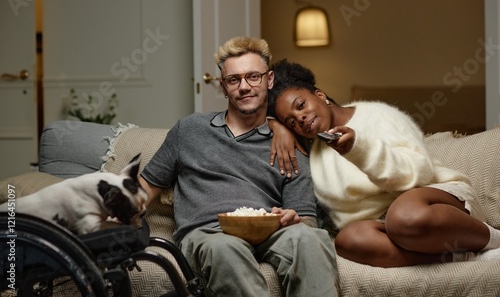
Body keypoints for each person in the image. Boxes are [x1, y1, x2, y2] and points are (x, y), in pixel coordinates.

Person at [138, 37, 339, 296]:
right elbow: (146, 186)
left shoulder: (289, 144)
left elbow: (307, 219)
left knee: (310, 240)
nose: (244, 87)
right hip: (209, 233)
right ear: (223, 87)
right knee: (225, 249)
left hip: (270, 230)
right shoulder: (189, 130)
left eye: (253, 77)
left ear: (269, 80)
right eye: (234, 80)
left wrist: (294, 219)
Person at [267, 59, 500, 268]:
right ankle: (463, 258)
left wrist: (358, 148)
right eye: (292, 122)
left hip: (435, 201)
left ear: (319, 95)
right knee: (348, 240)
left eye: (301, 106)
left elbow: (419, 173)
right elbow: (243, 119)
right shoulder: (311, 151)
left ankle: (492, 239)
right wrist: (275, 126)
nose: (301, 118)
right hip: (386, 225)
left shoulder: (377, 114)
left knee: (404, 217)